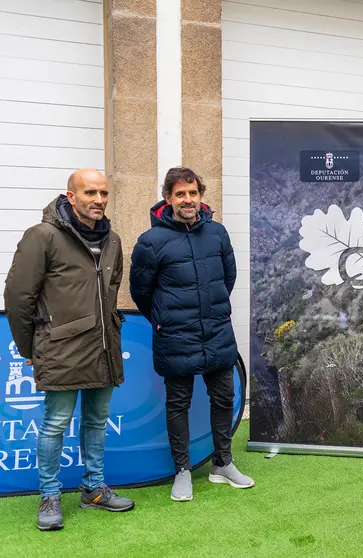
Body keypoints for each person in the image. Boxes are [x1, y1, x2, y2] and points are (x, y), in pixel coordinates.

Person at [4, 169, 135, 531]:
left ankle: (93, 489)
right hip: (61, 350)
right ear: (71, 195)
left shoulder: (114, 240)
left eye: (104, 193)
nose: (98, 199)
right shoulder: (42, 236)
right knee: (55, 424)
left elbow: (110, 289)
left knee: (96, 421)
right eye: (90, 192)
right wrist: (29, 345)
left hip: (104, 348)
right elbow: (18, 297)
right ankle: (49, 495)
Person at [129, 166, 253, 502]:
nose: (188, 199)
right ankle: (182, 470)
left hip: (216, 332)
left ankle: (222, 463)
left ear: (201, 195)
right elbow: (140, 292)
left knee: (224, 398)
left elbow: (227, 279)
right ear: (168, 198)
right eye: (180, 194)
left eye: (193, 193)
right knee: (178, 403)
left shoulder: (218, 233)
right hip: (175, 336)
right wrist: (163, 321)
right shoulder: (150, 242)